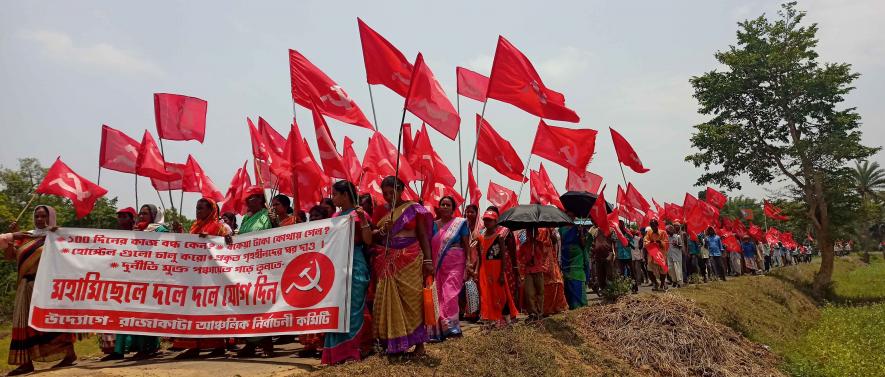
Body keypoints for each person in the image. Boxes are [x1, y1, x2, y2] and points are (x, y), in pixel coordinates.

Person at [2, 206, 77, 376]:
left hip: (47, 285)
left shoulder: (56, 237)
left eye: (44, 216)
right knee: (23, 322)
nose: (40, 219)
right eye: (37, 216)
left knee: (51, 320)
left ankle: (69, 354)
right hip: (26, 285)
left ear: (51, 217)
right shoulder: (26, 236)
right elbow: (9, 256)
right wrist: (12, 237)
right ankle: (25, 362)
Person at [370, 176, 432, 355]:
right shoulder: (380, 210)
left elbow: (422, 234)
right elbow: (373, 235)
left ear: (401, 190)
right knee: (388, 300)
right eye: (385, 193)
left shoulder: (413, 208)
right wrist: (383, 229)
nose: (389, 197)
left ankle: (419, 345)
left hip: (411, 257)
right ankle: (394, 344)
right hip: (387, 258)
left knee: (414, 300)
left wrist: (428, 260)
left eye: (392, 192)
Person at [322, 180, 373, 365]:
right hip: (337, 264)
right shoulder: (335, 216)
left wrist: (363, 219)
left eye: (335, 194)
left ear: (345, 195)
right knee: (337, 309)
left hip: (355, 263)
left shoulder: (359, 214)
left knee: (353, 309)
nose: (332, 198)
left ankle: (351, 352)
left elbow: (368, 241)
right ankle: (335, 353)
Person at [174, 198, 231, 358]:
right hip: (194, 276)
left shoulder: (219, 228)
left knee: (212, 311)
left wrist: (211, 240)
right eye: (197, 208)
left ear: (210, 210)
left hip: (212, 278)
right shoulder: (195, 226)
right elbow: (188, 248)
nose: (198, 211)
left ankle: (217, 345)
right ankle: (193, 346)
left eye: (201, 208)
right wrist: (180, 234)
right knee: (193, 311)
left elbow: (227, 247)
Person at [112, 204, 164, 360]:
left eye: (145, 214)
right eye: (140, 213)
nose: (141, 216)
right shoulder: (137, 230)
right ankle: (125, 349)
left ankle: (149, 348)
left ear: (153, 215)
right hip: (134, 276)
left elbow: (166, 247)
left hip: (152, 276)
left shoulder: (161, 230)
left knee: (148, 314)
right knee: (130, 313)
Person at [236, 187, 274, 358]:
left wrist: (275, 221)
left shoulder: (268, 216)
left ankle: (266, 344)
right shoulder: (246, 218)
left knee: (262, 304)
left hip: (264, 266)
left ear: (260, 199)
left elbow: (279, 235)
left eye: (251, 198)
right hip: (246, 267)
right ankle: (250, 343)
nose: (247, 201)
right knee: (247, 305)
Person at [99, 207, 138, 360]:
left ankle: (134, 347)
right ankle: (116, 350)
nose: (120, 219)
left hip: (134, 280)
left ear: (132, 219)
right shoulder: (114, 237)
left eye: (124, 216)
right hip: (116, 280)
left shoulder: (139, 235)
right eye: (119, 216)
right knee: (114, 314)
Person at [429, 196, 470, 338]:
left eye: (448, 205)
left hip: (456, 261)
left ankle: (453, 327)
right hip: (438, 264)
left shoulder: (459, 223)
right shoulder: (433, 225)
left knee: (450, 292)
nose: (445, 207)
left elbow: (466, 243)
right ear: (439, 207)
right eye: (443, 204)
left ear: (453, 209)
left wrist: (469, 262)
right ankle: (443, 327)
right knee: (439, 293)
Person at [475, 210, 519, 325]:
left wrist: (502, 273)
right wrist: (477, 271)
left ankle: (507, 319)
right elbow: (479, 256)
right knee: (487, 294)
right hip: (485, 270)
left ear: (496, 222)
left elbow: (503, 257)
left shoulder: (499, 237)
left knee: (501, 294)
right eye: (485, 220)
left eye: (490, 220)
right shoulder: (480, 238)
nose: (487, 222)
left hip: (497, 269)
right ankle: (491, 320)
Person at [518, 228, 549, 322]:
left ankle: (540, 313)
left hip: (539, 270)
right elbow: (520, 258)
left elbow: (544, 256)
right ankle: (532, 313)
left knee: (540, 292)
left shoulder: (540, 244)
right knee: (529, 293)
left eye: (534, 233)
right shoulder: (524, 245)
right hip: (528, 271)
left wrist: (536, 251)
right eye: (530, 233)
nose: (532, 235)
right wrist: (526, 261)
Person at [559, 216, 588, 309]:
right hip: (565, 256)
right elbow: (559, 243)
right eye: (568, 215)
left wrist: (581, 233)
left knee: (577, 278)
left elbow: (584, 243)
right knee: (568, 280)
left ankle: (579, 305)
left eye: (571, 215)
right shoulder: (561, 229)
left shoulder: (578, 228)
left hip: (577, 258)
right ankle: (572, 305)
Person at [644, 219, 669, 291]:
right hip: (652, 253)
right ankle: (655, 283)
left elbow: (667, 243)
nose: (653, 227)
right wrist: (650, 242)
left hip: (661, 254)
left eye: (654, 226)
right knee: (649, 270)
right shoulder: (649, 232)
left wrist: (660, 242)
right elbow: (645, 242)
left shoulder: (663, 232)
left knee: (663, 271)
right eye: (652, 226)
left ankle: (662, 284)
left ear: (657, 225)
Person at [615, 221, 638, 293]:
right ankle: (623, 289)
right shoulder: (616, 235)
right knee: (621, 273)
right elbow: (614, 244)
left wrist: (628, 242)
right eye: (619, 225)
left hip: (628, 255)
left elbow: (633, 245)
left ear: (623, 226)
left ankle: (634, 288)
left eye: (621, 225)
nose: (620, 227)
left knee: (632, 272)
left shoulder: (628, 234)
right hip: (620, 256)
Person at [591, 228, 613, 294]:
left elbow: (614, 243)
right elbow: (593, 244)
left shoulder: (610, 230)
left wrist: (611, 254)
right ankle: (603, 291)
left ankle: (610, 292)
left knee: (609, 275)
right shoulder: (595, 231)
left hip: (607, 256)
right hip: (598, 257)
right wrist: (592, 255)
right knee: (600, 276)